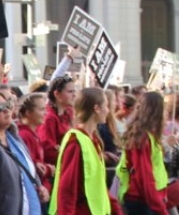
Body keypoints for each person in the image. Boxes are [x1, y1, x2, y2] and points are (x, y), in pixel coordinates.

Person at [49, 87, 123, 215]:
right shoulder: (76, 142)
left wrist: (116, 211)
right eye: (105, 106)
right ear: (96, 108)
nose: (108, 110)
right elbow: (67, 189)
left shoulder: (93, 140)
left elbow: (99, 186)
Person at [116, 92, 169, 215]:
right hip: (143, 200)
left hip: (147, 199)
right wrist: (160, 207)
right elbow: (145, 177)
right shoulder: (143, 139)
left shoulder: (146, 136)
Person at [17, 93, 53, 215]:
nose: (45, 113)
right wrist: (49, 169)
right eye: (41, 109)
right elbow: (33, 167)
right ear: (28, 112)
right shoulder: (24, 135)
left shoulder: (32, 133)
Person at [37, 75, 75, 165]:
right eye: (70, 92)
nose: (74, 95)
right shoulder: (49, 117)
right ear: (57, 94)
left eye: (74, 91)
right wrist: (67, 152)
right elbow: (48, 151)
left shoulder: (69, 112)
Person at [98, 90, 121, 187]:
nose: (115, 104)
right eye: (113, 101)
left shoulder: (110, 124)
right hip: (105, 172)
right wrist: (108, 156)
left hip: (113, 170)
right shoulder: (100, 127)